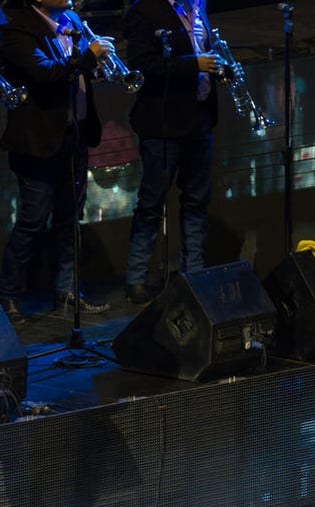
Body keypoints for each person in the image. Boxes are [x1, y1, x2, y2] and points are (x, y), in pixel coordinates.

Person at [0, 0, 112, 324]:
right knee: (32, 221)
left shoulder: (71, 18)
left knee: (70, 219)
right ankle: (8, 295)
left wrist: (97, 64)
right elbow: (44, 74)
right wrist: (88, 57)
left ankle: (67, 291)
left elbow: (76, 71)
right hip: (37, 142)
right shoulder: (18, 30)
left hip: (73, 135)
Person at [123, 0, 222, 305]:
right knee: (152, 203)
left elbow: (206, 51)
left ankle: (194, 273)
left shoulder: (199, 6)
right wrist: (194, 64)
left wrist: (219, 67)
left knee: (196, 201)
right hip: (162, 124)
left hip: (199, 119)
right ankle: (136, 277)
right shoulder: (145, 10)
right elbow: (142, 64)